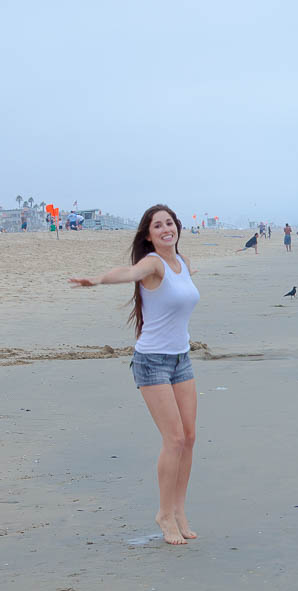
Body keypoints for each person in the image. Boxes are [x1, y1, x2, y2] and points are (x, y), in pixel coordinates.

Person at [69, 204, 201, 545]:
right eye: (158, 226)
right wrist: (98, 279)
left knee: (189, 438)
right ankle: (163, 513)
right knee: (173, 440)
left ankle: (179, 509)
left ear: (177, 227)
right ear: (149, 235)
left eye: (169, 223)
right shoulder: (153, 264)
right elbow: (128, 273)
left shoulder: (182, 263)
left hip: (181, 360)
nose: (165, 229)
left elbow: (180, 292)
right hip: (152, 361)